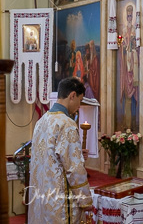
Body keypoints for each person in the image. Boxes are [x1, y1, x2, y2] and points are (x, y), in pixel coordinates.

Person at [28, 77, 92, 223]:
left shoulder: (41, 121)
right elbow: (74, 169)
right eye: (80, 101)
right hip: (60, 203)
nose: (79, 106)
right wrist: (85, 200)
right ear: (72, 96)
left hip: (42, 199)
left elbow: (48, 156)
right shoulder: (67, 124)